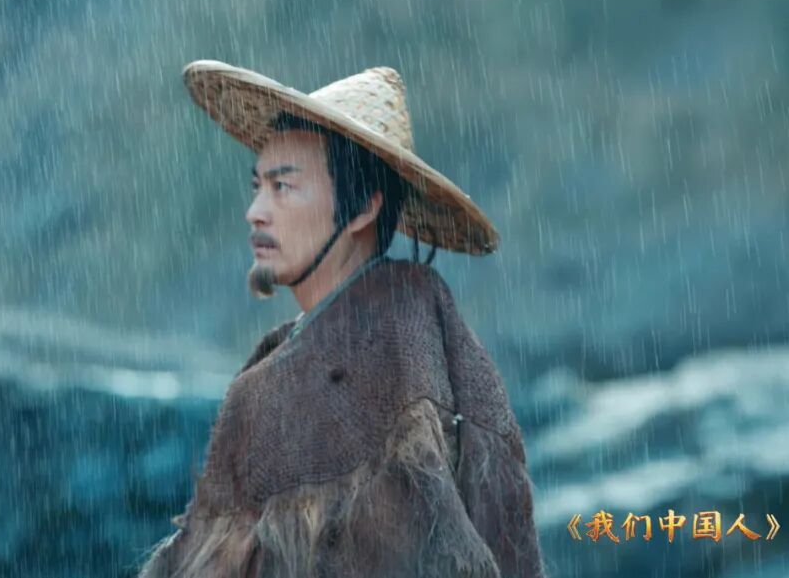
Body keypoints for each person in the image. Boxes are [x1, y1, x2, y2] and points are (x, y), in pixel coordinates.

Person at [136, 60, 547, 577]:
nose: (256, 211)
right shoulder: (296, 361)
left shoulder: (391, 345)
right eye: (257, 186)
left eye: (283, 187)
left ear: (362, 210)